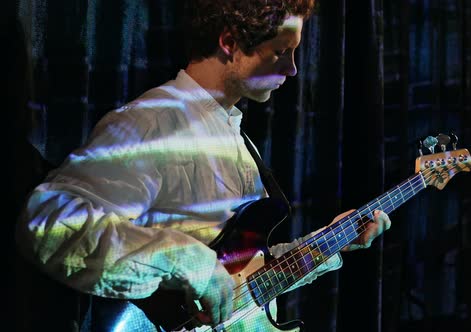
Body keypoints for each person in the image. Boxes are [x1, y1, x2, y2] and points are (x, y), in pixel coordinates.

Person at [14, 0, 392, 331]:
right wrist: (189, 262)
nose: (292, 69)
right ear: (229, 43)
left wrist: (332, 243)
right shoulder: (153, 123)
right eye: (280, 51)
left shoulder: (232, 134)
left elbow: (243, 278)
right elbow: (49, 223)